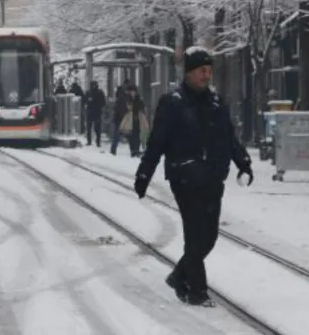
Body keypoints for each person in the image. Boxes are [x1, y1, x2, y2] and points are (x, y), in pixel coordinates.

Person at [133, 46, 254, 307]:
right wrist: (144, 173)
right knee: (195, 234)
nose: (205, 76)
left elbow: (229, 137)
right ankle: (197, 290)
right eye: (201, 71)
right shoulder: (172, 102)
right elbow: (157, 142)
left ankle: (179, 276)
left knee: (209, 237)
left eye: (208, 71)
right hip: (184, 176)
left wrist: (243, 162)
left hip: (212, 177)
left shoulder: (216, 102)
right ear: (188, 73)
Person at [110, 79, 131, 155]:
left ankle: (113, 150)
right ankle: (113, 150)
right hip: (121, 117)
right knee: (119, 134)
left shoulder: (123, 94)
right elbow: (121, 107)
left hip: (122, 117)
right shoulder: (122, 95)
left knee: (119, 134)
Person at [84, 81, 106, 147]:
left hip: (93, 112)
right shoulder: (98, 92)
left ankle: (93, 141)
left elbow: (103, 102)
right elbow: (103, 102)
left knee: (94, 128)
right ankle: (94, 142)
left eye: (94, 85)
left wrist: (89, 103)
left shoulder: (89, 93)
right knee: (94, 128)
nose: (93, 86)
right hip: (95, 112)